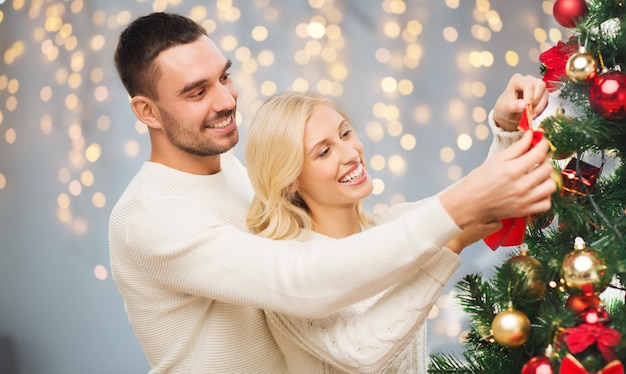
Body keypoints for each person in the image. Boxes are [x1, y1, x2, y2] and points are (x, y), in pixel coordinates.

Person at [108, 12, 555, 374]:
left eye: (224, 77)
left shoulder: (229, 167)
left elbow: (376, 232)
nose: (225, 100)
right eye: (196, 92)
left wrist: (507, 134)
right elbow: (301, 281)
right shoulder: (151, 216)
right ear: (147, 111)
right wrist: (457, 216)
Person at [243, 91, 540, 373]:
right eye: (324, 152)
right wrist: (451, 245)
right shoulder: (285, 271)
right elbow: (360, 354)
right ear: (289, 179)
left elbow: (474, 194)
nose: (350, 153)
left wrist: (507, 126)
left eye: (345, 133)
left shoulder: (391, 227)